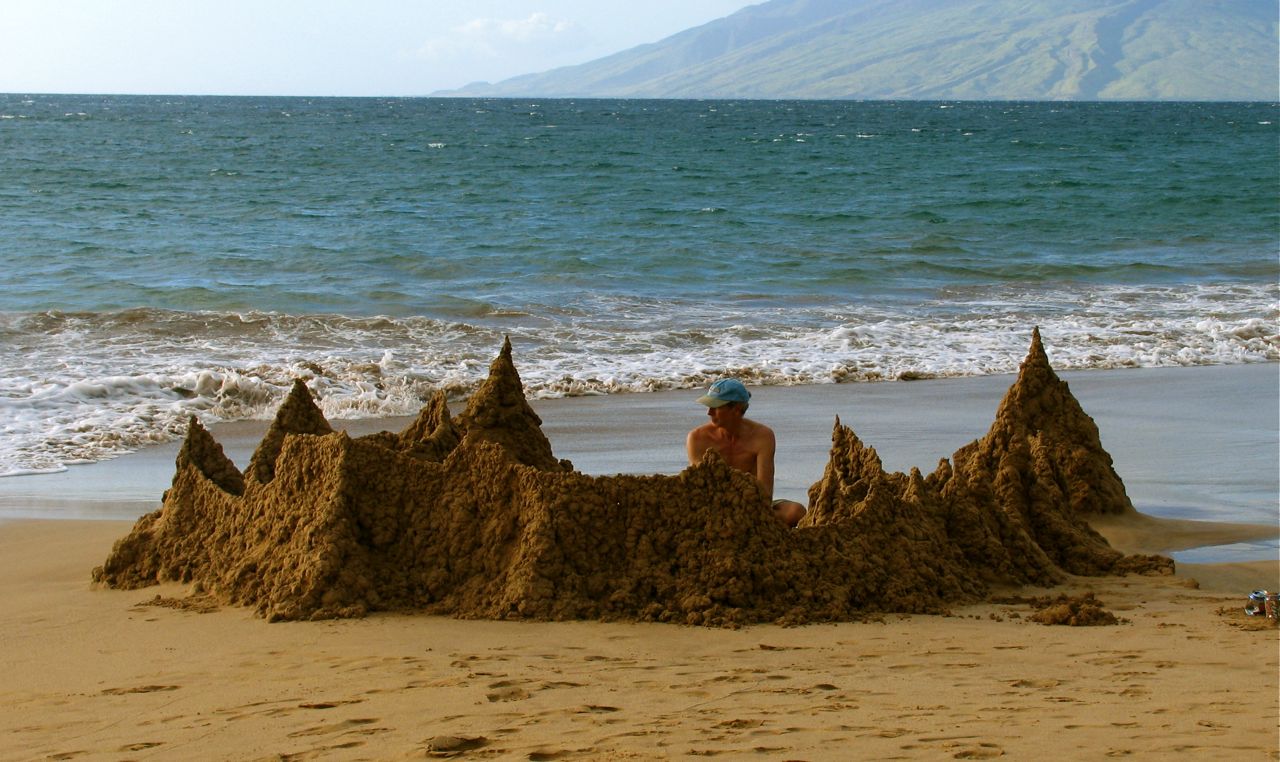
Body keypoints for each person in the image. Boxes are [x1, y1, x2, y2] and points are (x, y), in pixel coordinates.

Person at [686, 378, 807, 527]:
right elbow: (698, 488)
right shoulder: (697, 438)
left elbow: (765, 492)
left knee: (796, 511)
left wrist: (746, 511)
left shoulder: (763, 436)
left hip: (753, 505)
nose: (709, 412)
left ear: (736, 409)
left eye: (715, 407)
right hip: (713, 507)